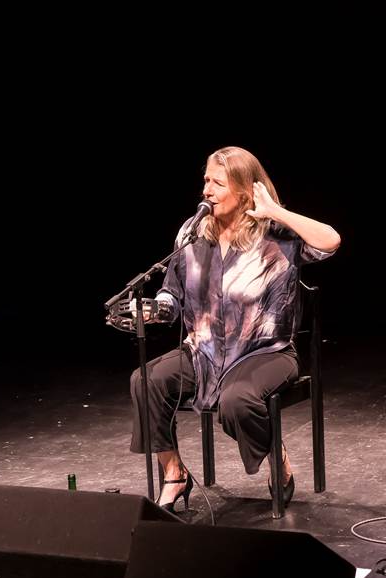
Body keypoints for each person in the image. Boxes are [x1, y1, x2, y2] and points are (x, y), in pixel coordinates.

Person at [129, 146, 341, 512]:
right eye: (205, 181)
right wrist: (154, 310)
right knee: (146, 380)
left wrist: (275, 211)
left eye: (217, 183)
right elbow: (172, 293)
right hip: (204, 351)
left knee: (236, 400)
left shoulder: (277, 234)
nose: (207, 190)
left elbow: (330, 241)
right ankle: (174, 473)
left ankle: (277, 458)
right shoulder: (193, 233)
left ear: (244, 191)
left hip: (266, 351)